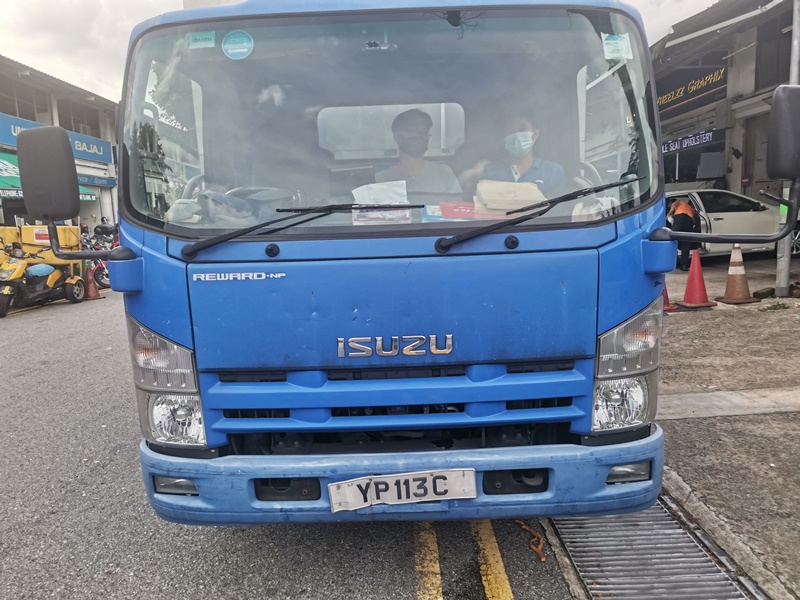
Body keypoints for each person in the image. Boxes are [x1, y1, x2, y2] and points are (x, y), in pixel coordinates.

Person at [376, 109, 462, 194]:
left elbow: (458, 202)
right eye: (411, 131)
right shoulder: (383, 179)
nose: (418, 136)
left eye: (423, 133)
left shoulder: (444, 172)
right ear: (397, 135)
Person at [481, 115, 566, 196]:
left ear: (535, 134)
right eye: (510, 131)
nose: (517, 135)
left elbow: (559, 205)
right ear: (503, 140)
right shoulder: (490, 172)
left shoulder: (553, 172)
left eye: (522, 129)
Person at [668, 198, 699, 271]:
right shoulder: (690, 208)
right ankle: (684, 265)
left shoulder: (679, 202)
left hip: (680, 218)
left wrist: (670, 212)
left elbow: (674, 203)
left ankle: (671, 262)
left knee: (673, 240)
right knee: (686, 244)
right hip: (689, 221)